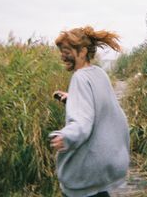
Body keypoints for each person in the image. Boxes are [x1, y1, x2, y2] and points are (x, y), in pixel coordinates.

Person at [49, 26, 130, 197]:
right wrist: (72, 99)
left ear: (82, 51)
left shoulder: (79, 77)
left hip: (86, 171)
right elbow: (100, 106)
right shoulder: (99, 73)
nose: (62, 56)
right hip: (103, 165)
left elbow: (82, 122)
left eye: (66, 51)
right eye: (61, 51)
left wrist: (66, 136)